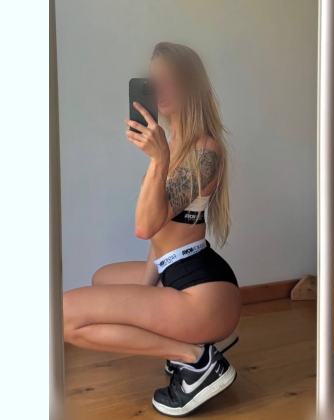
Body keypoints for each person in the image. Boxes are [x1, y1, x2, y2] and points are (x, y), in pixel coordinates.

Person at [63, 42, 242, 417]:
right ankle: (183, 346)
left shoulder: (204, 150)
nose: (159, 89)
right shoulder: (173, 144)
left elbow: (145, 226)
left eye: (169, 79)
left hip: (204, 294)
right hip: (175, 269)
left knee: (62, 315)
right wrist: (141, 296)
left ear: (190, 85)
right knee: (102, 279)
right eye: (153, 80)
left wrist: (159, 160)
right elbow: (160, 237)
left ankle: (196, 360)